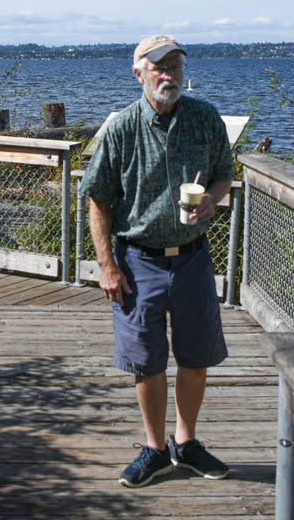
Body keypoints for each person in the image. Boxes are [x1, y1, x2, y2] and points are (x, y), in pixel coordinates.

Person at [80, 34, 234, 488]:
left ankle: (186, 443)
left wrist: (212, 199)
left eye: (175, 66)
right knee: (146, 361)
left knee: (195, 355)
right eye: (159, 67)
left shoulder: (205, 118)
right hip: (137, 261)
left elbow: (224, 174)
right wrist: (106, 266)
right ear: (139, 74)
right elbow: (97, 200)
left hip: (192, 258)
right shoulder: (122, 128)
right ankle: (155, 448)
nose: (169, 75)